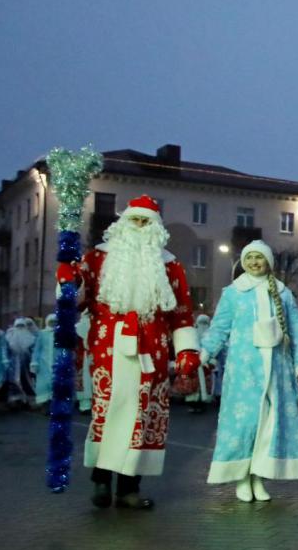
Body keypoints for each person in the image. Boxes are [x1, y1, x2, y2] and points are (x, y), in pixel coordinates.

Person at [58, 194, 198, 510]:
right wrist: (69, 280)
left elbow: (181, 313)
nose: (139, 225)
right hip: (108, 350)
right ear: (123, 223)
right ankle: (101, 481)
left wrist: (186, 350)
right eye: (134, 219)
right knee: (108, 413)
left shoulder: (170, 264)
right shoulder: (97, 258)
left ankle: (128, 489)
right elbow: (76, 302)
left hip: (152, 352)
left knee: (143, 419)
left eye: (145, 221)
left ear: (155, 227)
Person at [200, 241, 298, 502]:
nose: (254, 262)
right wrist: (205, 352)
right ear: (243, 262)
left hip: (276, 371)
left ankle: (259, 476)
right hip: (244, 371)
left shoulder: (283, 293)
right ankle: (242, 477)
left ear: (268, 262)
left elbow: (296, 331)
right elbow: (219, 327)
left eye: (259, 257)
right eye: (249, 257)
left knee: (269, 425)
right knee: (245, 424)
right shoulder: (233, 292)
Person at [184, 314, 215, 412]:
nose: (203, 325)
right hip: (194, 363)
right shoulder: (193, 334)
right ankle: (193, 404)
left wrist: (211, 362)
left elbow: (213, 350)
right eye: (201, 323)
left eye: (205, 323)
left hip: (206, 364)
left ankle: (202, 405)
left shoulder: (211, 335)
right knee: (193, 385)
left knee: (204, 385)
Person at [5, 317, 37, 408]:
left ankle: (28, 400)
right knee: (14, 382)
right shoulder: (8, 337)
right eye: (18, 326)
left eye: (22, 326)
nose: (20, 328)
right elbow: (6, 351)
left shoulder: (31, 338)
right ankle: (16, 400)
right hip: (13, 365)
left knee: (27, 382)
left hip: (27, 365)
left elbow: (35, 351)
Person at [31, 313, 59, 408]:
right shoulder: (42, 333)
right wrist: (34, 362)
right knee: (43, 384)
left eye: (55, 322)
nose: (53, 323)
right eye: (51, 321)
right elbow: (37, 349)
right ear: (47, 322)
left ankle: (53, 405)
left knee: (55, 383)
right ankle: (45, 405)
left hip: (56, 363)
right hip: (43, 363)